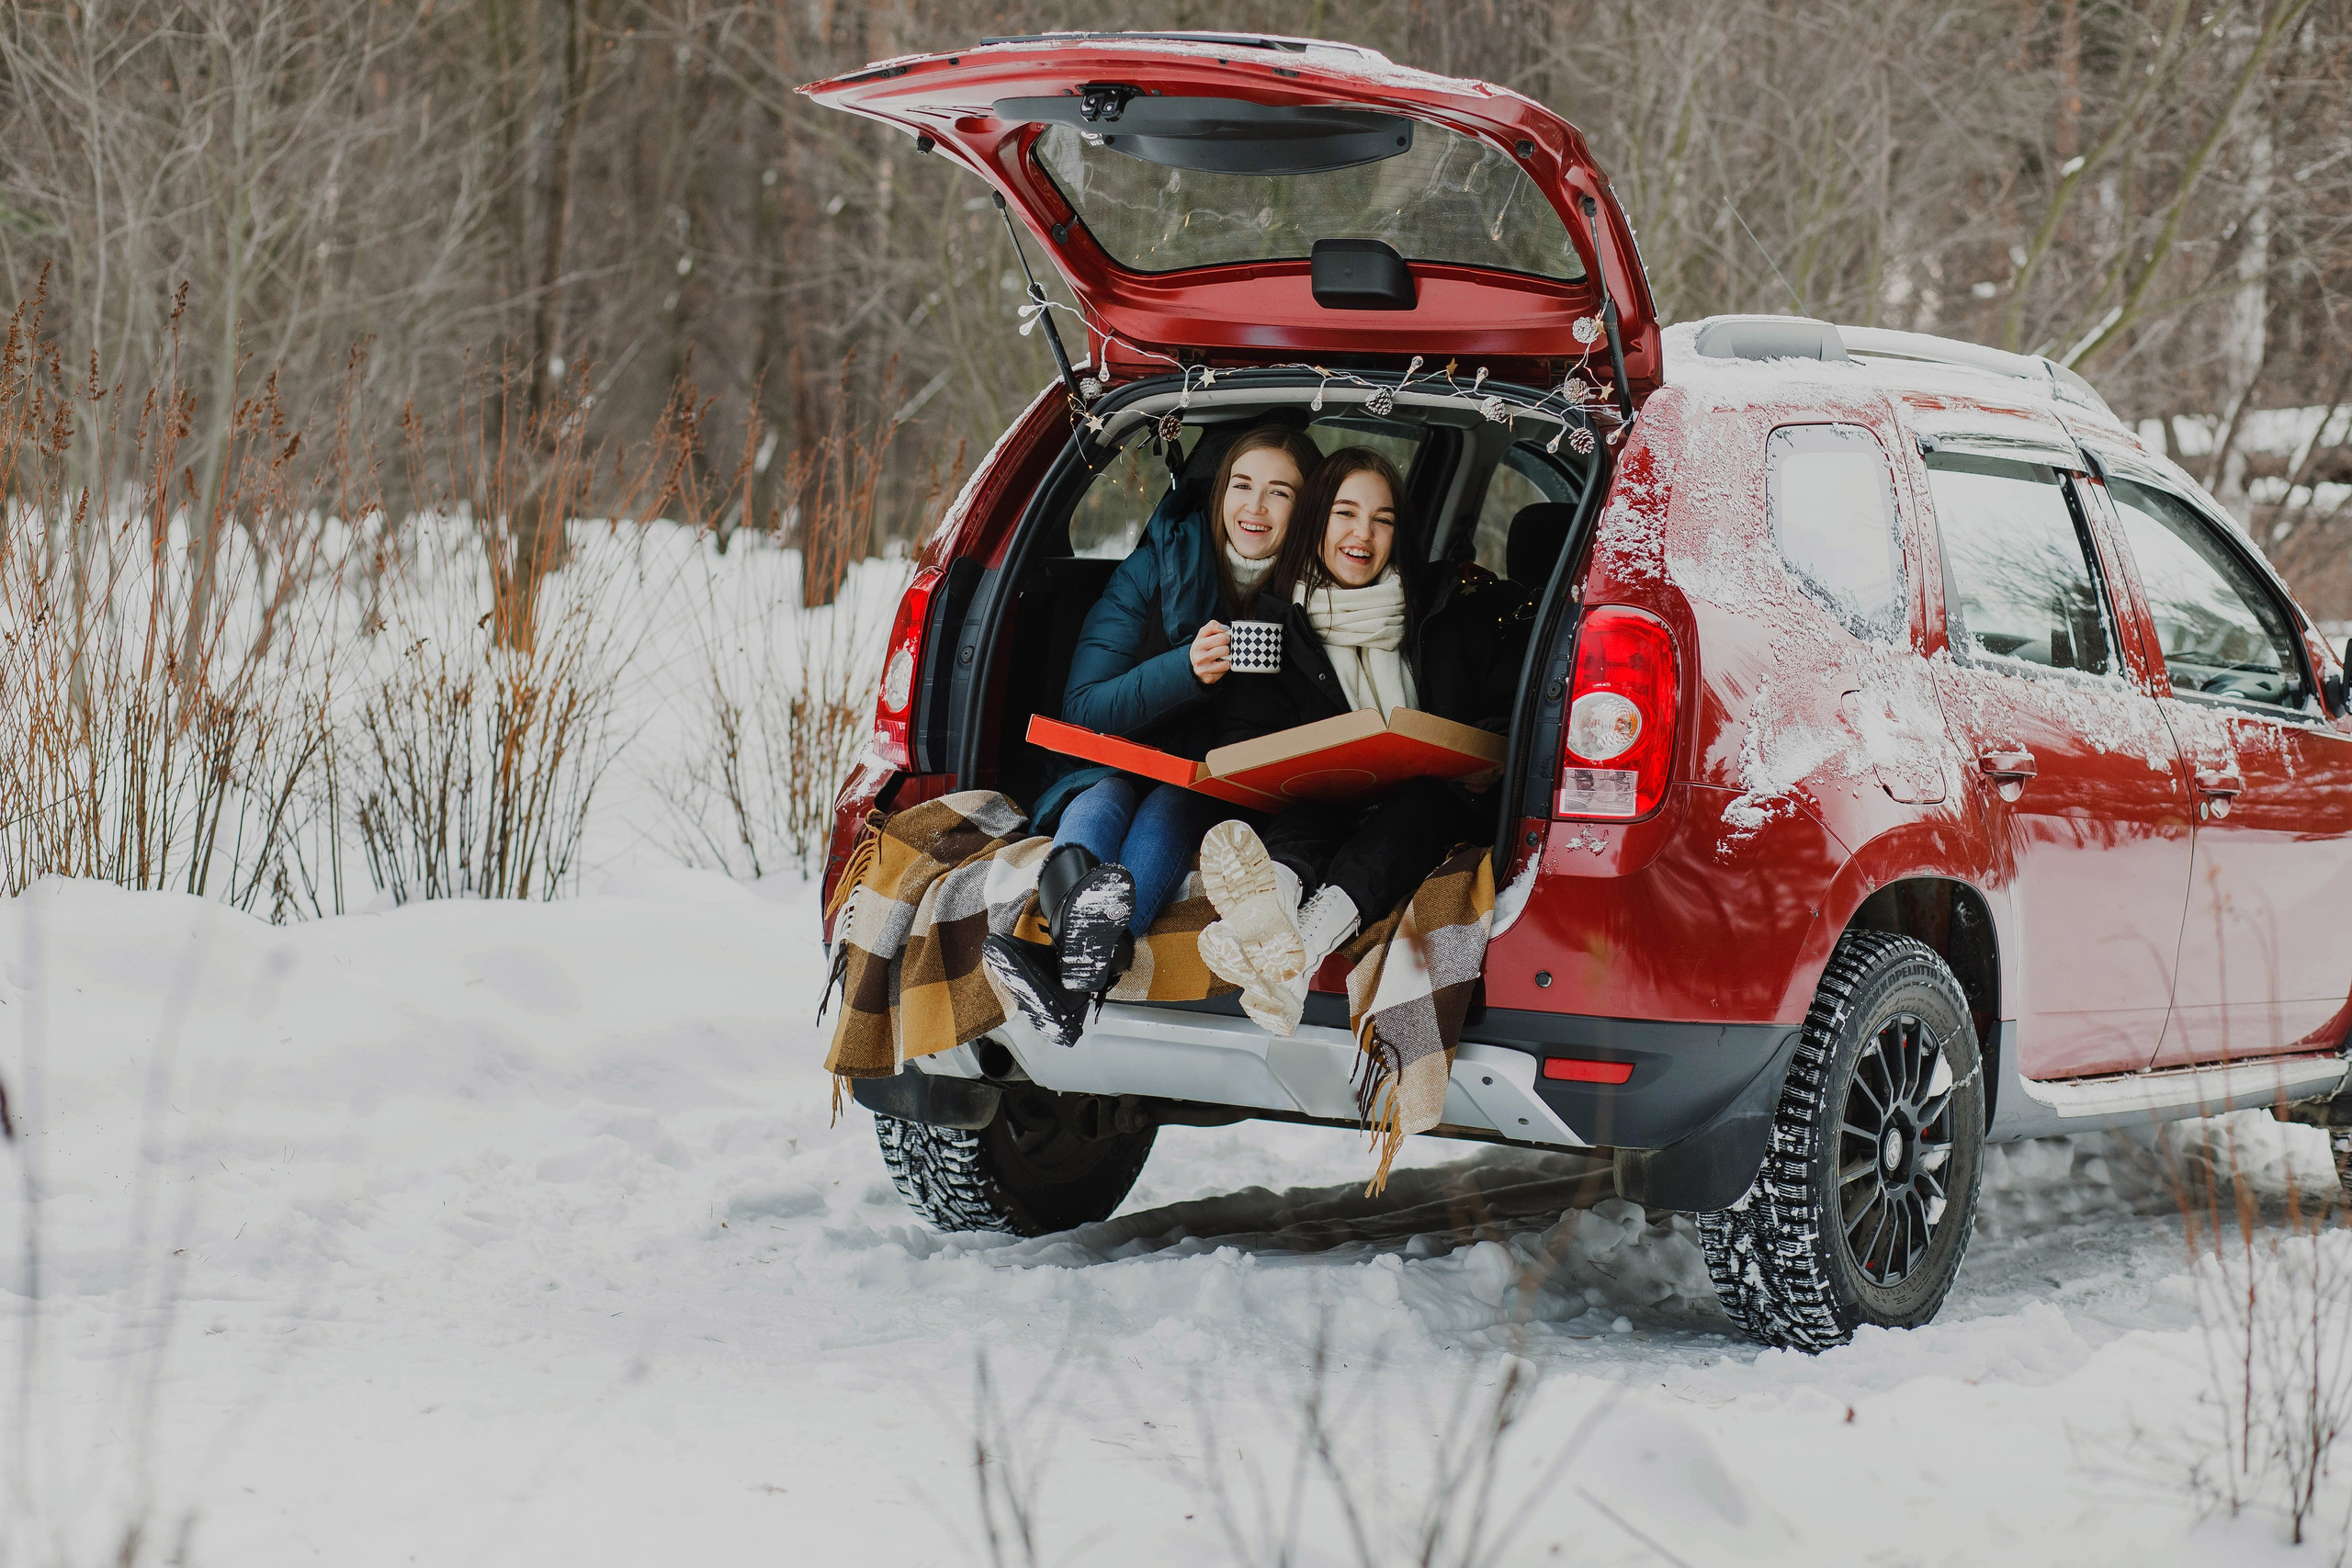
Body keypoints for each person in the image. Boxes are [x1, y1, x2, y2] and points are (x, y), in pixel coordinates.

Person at [985, 421, 1324, 1048]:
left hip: (1213, 784)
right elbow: (1082, 709)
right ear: (1219, 491)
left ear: (1306, 510)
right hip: (1114, 759)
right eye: (1242, 485)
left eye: (1280, 493)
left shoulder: (1320, 590)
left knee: (1171, 803)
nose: (1254, 506)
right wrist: (1184, 669)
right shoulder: (1157, 566)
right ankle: (1085, 965)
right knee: (1102, 799)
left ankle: (1064, 980)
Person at [1196, 446, 1532, 1035]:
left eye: (1383, 520)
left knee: (1423, 801)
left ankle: (1295, 947)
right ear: (1315, 521)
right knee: (1307, 813)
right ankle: (1270, 918)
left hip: (1434, 813)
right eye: (1345, 514)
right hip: (1328, 805)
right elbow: (1242, 739)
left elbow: (1508, 708)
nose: (1363, 534)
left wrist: (1490, 754)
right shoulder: (1271, 625)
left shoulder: (1444, 609)